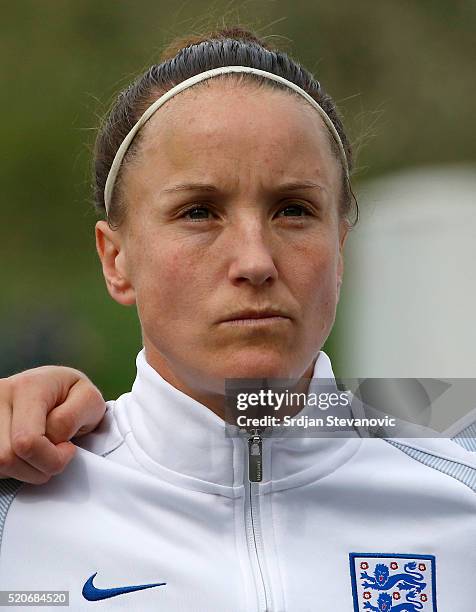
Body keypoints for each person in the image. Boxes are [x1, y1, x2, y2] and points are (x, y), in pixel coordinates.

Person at [1, 27, 475, 611]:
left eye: (294, 210)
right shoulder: (17, 499)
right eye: (199, 212)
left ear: (340, 250)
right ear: (116, 259)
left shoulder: (459, 488)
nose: (255, 261)